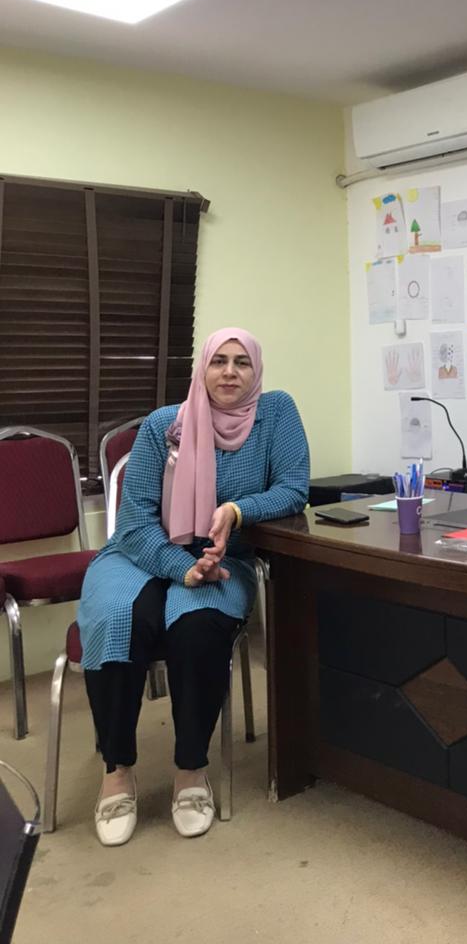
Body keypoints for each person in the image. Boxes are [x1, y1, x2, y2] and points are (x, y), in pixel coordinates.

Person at [77, 327, 309, 846]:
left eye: (241, 362)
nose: (229, 372)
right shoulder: (164, 425)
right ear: (201, 369)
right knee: (119, 620)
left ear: (256, 370)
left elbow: (293, 490)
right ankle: (117, 770)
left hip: (225, 557)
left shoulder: (277, 414)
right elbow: (134, 522)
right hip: (140, 553)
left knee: (197, 627)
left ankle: (190, 769)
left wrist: (236, 510)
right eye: (218, 361)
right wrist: (179, 567)